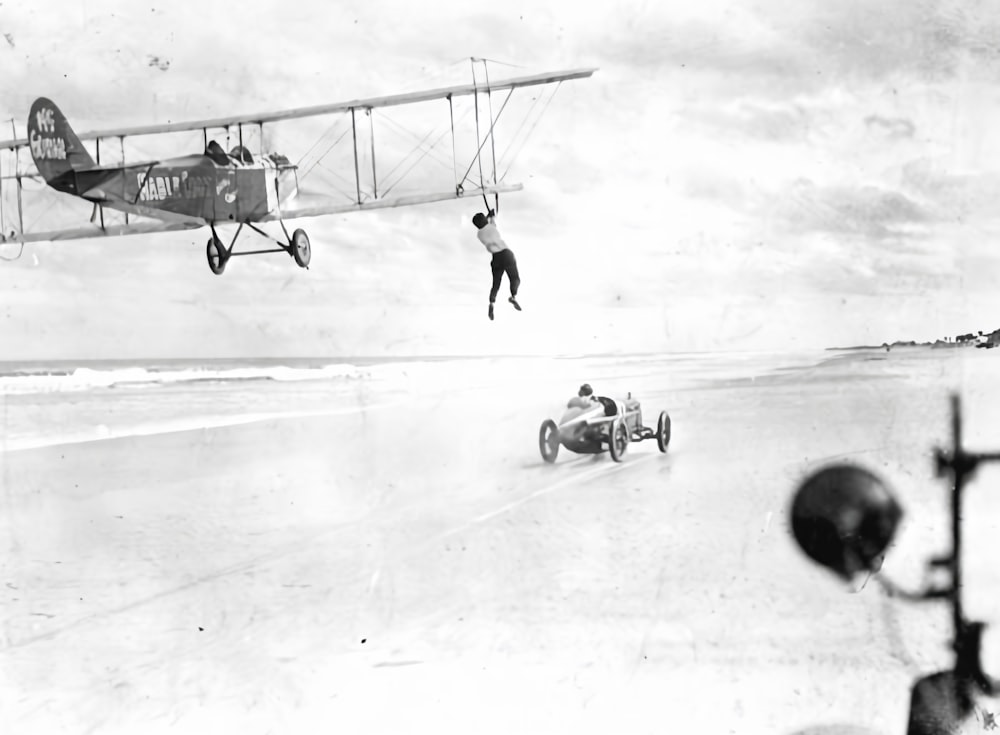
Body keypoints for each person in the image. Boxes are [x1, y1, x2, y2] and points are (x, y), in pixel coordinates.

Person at [472, 209, 521, 321]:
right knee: (515, 279)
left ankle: (492, 303)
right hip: (506, 254)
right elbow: (491, 221)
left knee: (496, 284)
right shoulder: (491, 227)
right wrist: (491, 215)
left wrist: (489, 216)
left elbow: (486, 224)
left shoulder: (479, 234)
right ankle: (513, 296)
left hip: (495, 259)